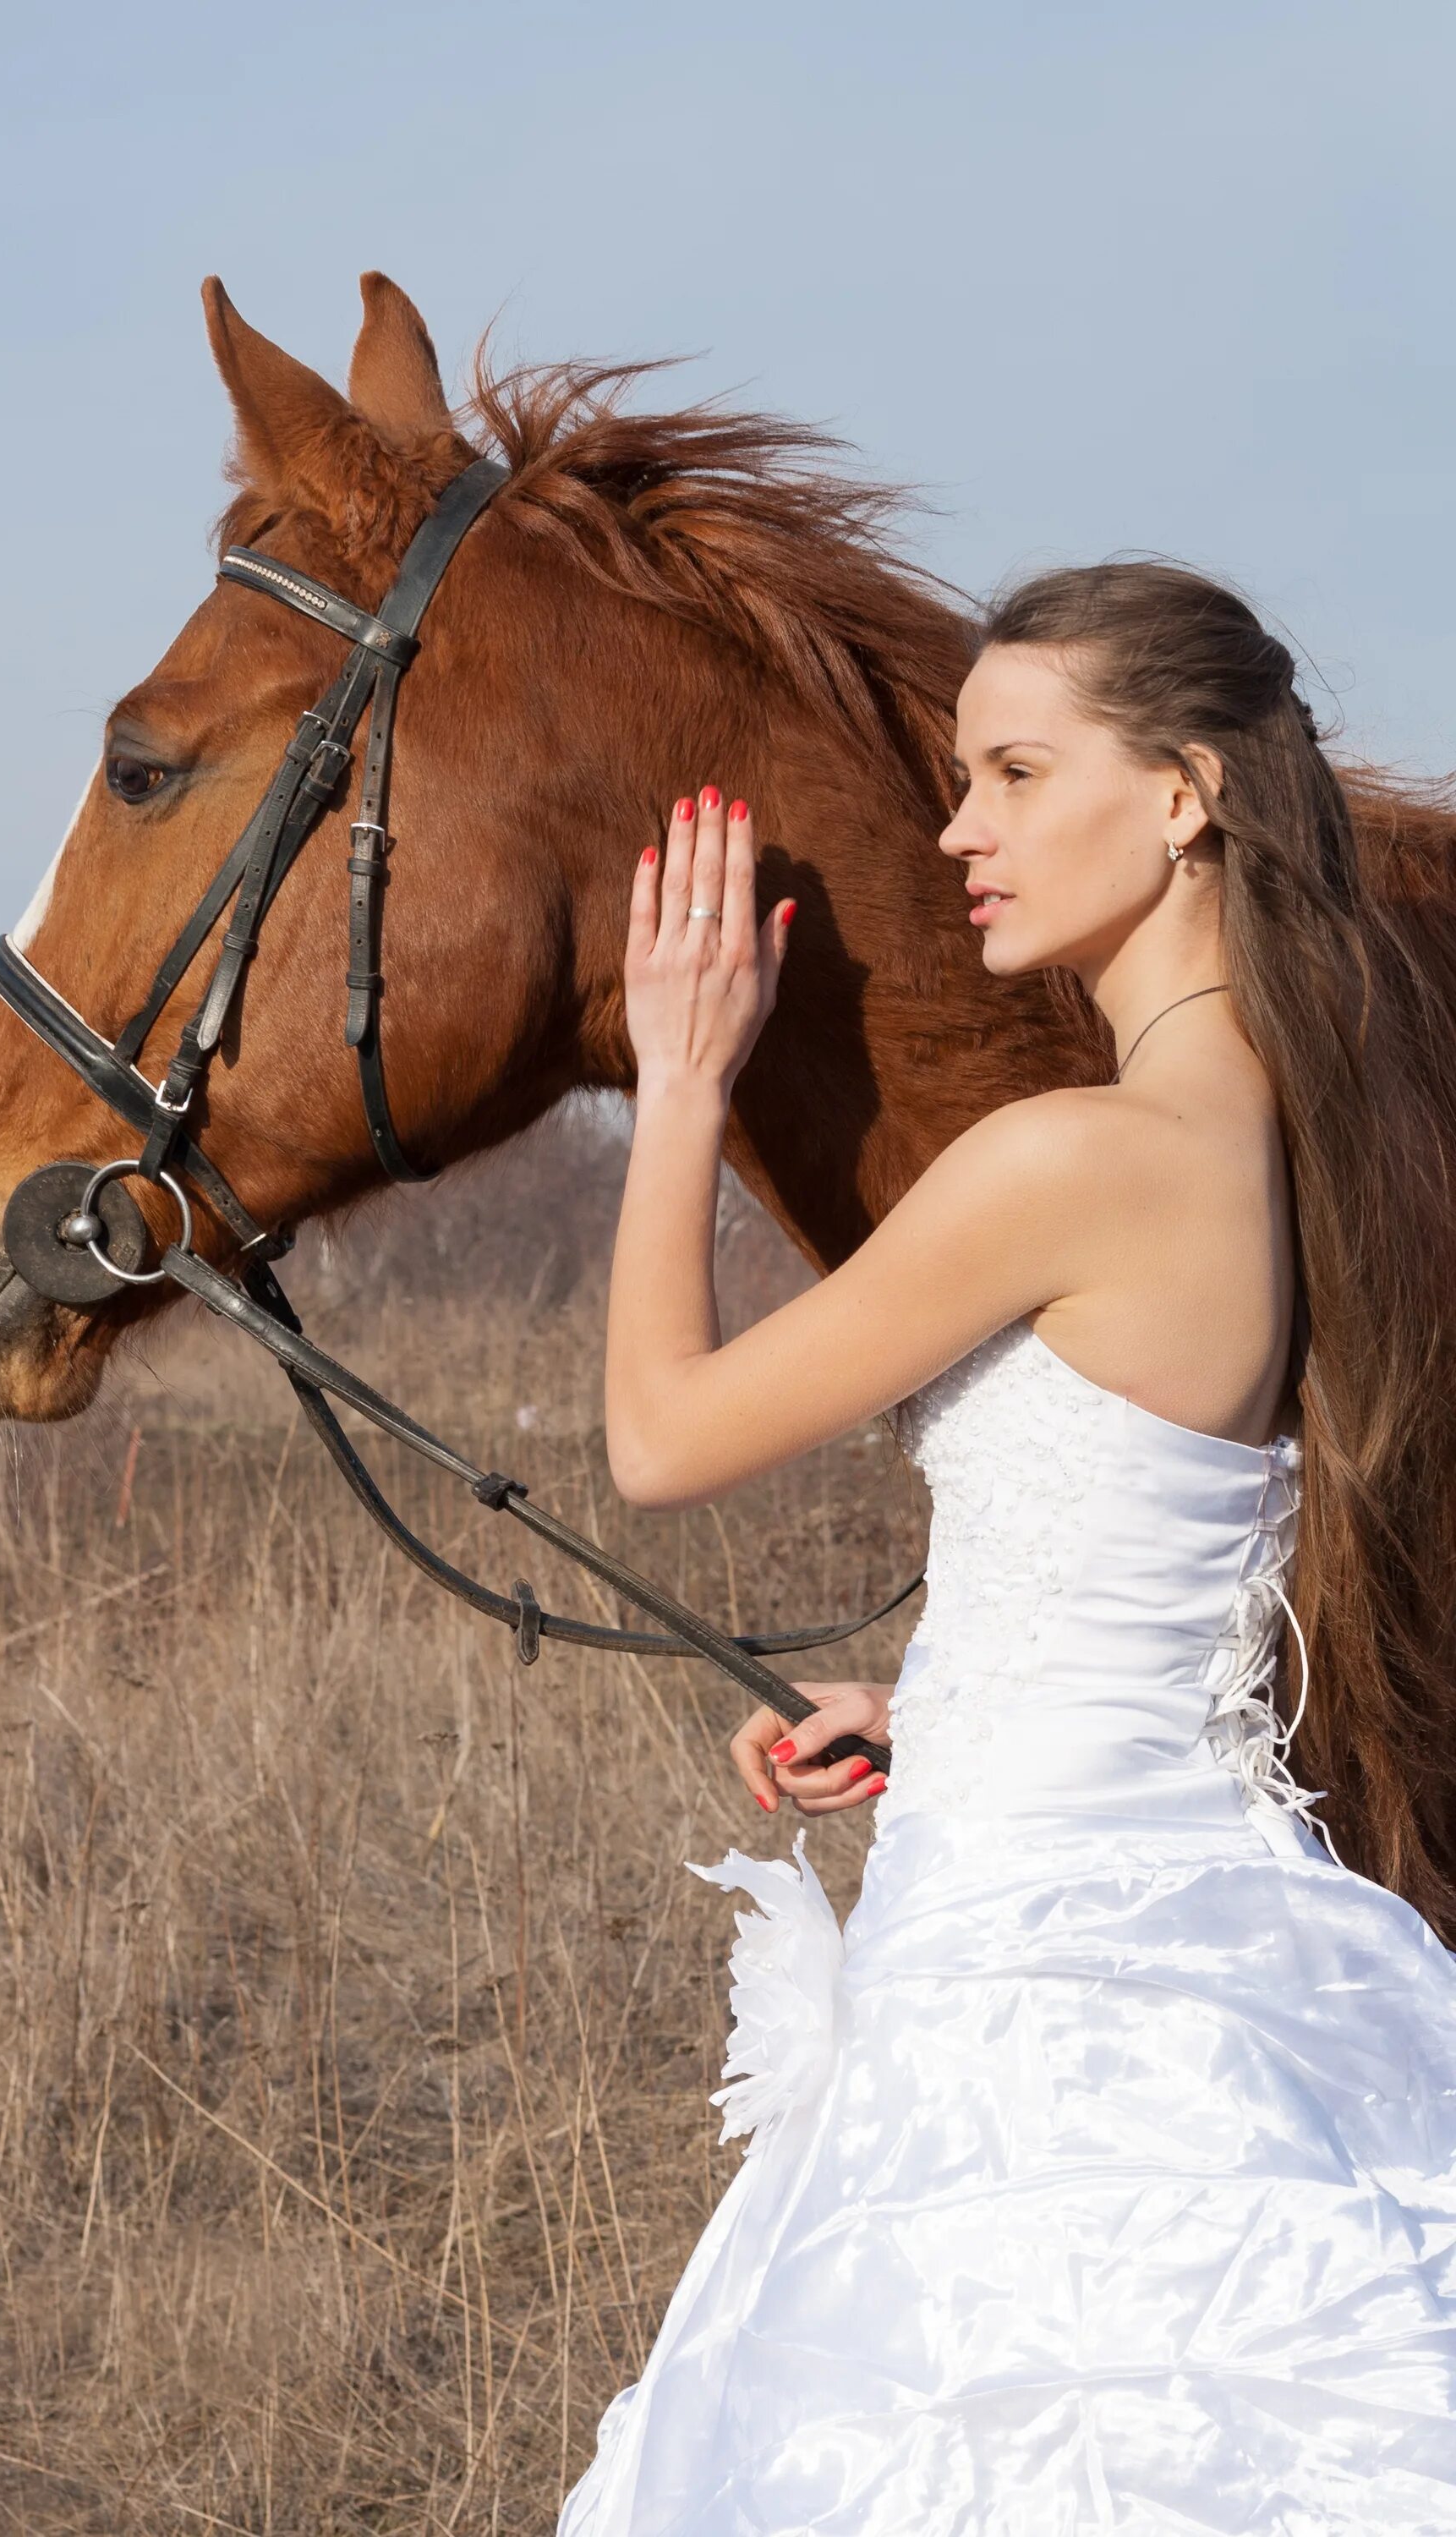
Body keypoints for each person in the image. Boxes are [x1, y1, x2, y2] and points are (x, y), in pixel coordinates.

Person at [558, 563, 1456, 2534]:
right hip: (1160, 1913)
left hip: (1052, 1990)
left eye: (1013, 772)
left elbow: (656, 1437)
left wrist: (684, 1077)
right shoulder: (1300, 1130)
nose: (958, 828)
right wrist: (930, 1713)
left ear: (1184, 796)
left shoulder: (1078, 1155)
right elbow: (1152, 1558)